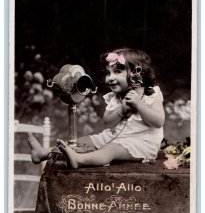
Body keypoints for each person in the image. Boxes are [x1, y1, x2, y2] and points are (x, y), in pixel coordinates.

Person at [28, 48, 165, 169]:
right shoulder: (115, 97)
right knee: (83, 141)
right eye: (108, 73)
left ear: (136, 74)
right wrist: (121, 110)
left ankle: (79, 160)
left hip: (142, 143)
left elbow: (158, 121)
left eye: (117, 72)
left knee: (111, 149)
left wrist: (139, 105)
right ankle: (43, 153)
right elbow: (108, 121)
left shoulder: (151, 93)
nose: (110, 78)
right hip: (113, 137)